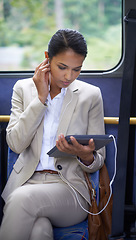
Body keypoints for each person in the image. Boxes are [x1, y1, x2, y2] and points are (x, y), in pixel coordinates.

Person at [0, 28, 105, 240]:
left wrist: (84, 155)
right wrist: (40, 99)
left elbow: (98, 161)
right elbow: (15, 144)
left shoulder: (91, 95)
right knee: (39, 231)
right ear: (47, 58)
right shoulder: (23, 89)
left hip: (70, 190)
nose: (69, 76)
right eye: (62, 67)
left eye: (77, 69)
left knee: (22, 200)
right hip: (26, 183)